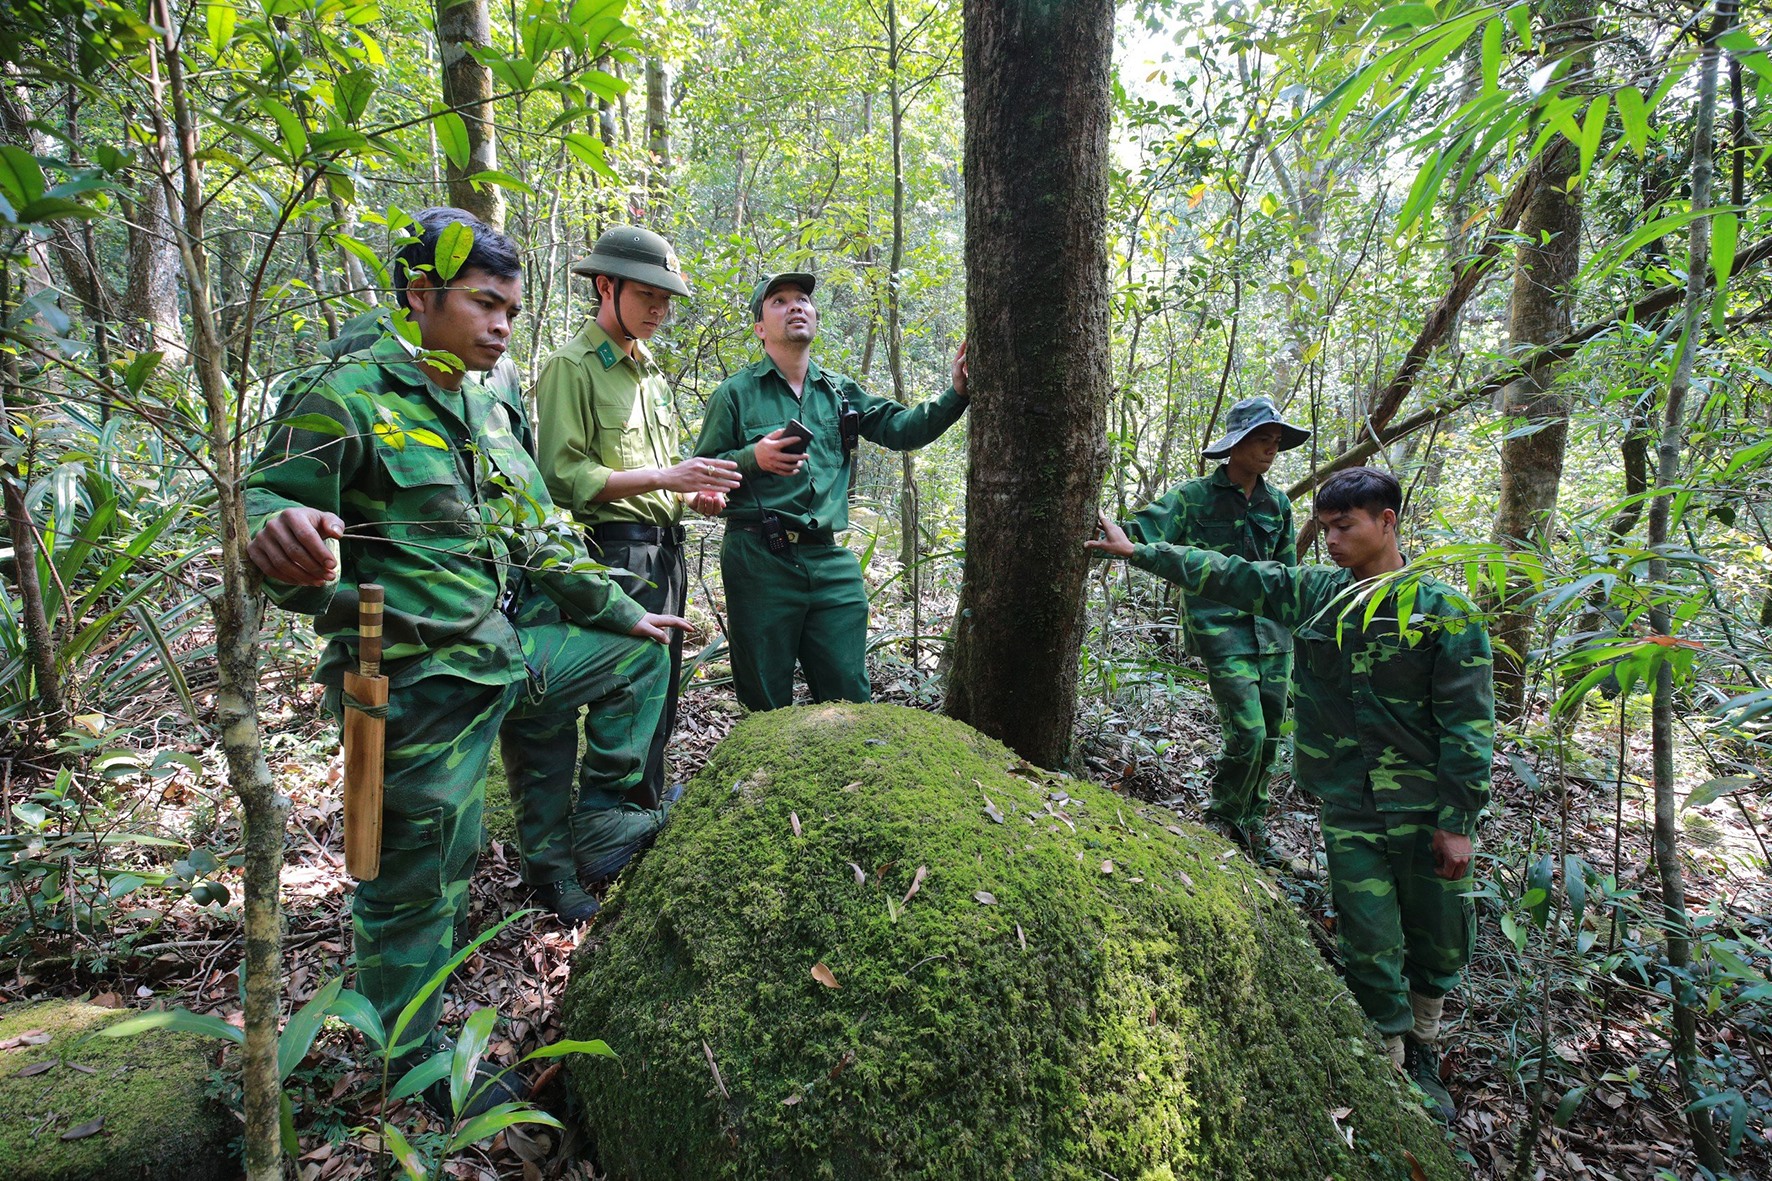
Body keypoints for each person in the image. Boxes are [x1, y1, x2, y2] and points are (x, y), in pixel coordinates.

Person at [244, 208, 689, 1109]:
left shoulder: (490, 394)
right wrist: (278, 533)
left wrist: (616, 608)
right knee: (414, 885)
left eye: (512, 312)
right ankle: (415, 1070)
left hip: (506, 651)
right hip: (412, 688)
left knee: (637, 657)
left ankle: (601, 821)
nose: (500, 326)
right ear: (420, 294)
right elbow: (265, 507)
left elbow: (536, 525)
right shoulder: (343, 388)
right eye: (485, 304)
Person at [1087, 466, 1492, 1123]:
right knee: (1367, 934)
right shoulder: (1318, 593)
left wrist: (1458, 819)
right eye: (1324, 527)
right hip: (1351, 804)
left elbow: (1469, 725)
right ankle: (1386, 1060)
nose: (1329, 539)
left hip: (1425, 810)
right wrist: (1141, 550)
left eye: (1344, 526)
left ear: (1387, 522)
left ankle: (1423, 1040)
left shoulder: (1443, 612)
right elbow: (1236, 574)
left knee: (1439, 934)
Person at [498, 227, 740, 923]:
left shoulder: (649, 369)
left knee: (653, 696)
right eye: (646, 294)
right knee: (581, 703)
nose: (659, 307)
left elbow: (655, 474)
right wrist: (665, 475)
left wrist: (690, 493)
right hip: (605, 553)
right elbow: (558, 478)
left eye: (667, 297)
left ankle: (631, 831)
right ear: (605, 286)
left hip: (661, 547)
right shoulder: (573, 365)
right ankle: (570, 850)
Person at [693, 272, 969, 711]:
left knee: (848, 696)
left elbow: (902, 429)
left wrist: (956, 393)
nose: (796, 306)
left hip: (829, 558)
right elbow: (702, 472)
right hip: (758, 558)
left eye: (802, 298)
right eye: (779, 301)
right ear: (760, 328)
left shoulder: (840, 392)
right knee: (765, 700)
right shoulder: (736, 394)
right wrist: (752, 458)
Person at [1122, 395, 1309, 863]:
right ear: (1237, 444)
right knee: (1246, 734)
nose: (1271, 449)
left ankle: (1253, 821)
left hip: (1273, 636)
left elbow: (1287, 573)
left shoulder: (1278, 504)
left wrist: (1300, 629)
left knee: (1270, 736)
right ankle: (1222, 817)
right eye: (1262, 440)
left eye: (1276, 441)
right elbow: (1141, 532)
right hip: (1221, 634)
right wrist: (1113, 540)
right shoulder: (1192, 498)